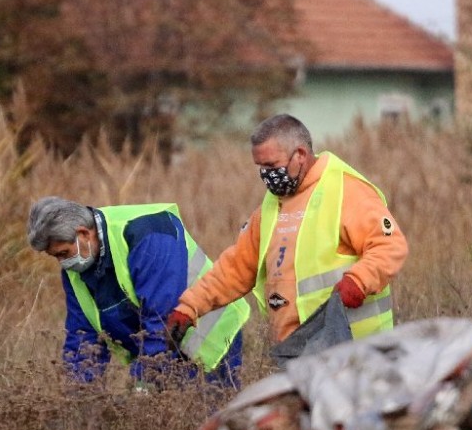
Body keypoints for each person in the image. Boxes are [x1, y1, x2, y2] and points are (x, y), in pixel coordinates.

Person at [165, 114, 407, 348]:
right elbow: (234, 268)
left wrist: (358, 281)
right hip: (296, 351)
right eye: (260, 167)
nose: (266, 175)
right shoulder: (270, 207)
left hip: (358, 349)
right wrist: (189, 308)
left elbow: (390, 246)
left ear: (300, 155)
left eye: (272, 165)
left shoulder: (345, 190)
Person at [27, 197, 248, 386]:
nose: (63, 262)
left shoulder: (147, 233)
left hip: (209, 336)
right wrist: (78, 397)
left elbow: (160, 319)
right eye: (55, 256)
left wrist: (145, 381)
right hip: (161, 346)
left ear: (83, 233)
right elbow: (82, 337)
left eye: (64, 253)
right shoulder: (76, 269)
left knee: (211, 425)